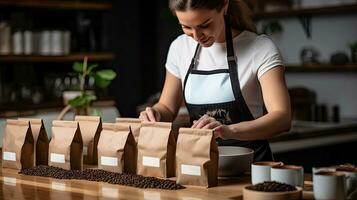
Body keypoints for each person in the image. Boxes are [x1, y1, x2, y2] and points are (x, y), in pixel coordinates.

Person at [139, 0, 291, 161]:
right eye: (186, 27)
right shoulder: (179, 47)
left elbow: (282, 118)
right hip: (200, 165)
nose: (197, 36)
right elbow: (167, 108)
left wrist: (228, 131)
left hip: (252, 167)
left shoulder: (260, 48)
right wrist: (156, 114)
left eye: (204, 25)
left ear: (224, 6)